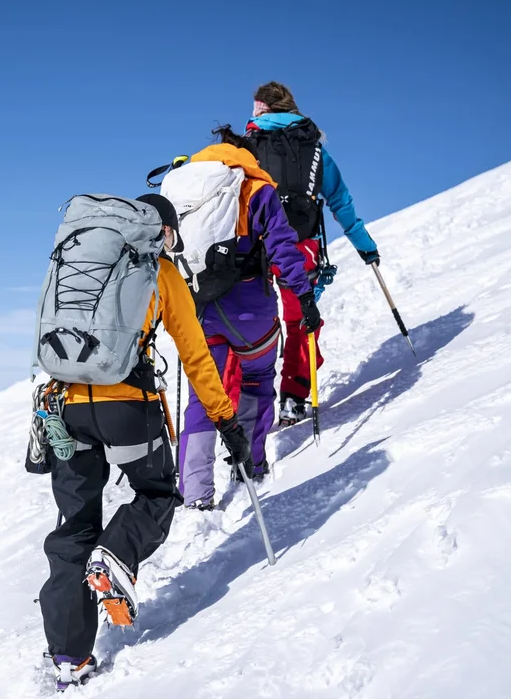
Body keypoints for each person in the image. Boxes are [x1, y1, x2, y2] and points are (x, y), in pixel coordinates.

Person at [40, 194, 253, 691]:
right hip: (127, 407)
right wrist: (228, 423)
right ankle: (115, 554)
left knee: (73, 527)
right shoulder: (161, 273)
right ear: (166, 232)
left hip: (64, 407)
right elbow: (196, 357)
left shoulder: (80, 260)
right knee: (156, 494)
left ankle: (70, 656)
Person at [175, 130, 322, 509]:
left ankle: (195, 493)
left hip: (200, 309)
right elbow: (282, 247)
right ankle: (251, 466)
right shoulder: (255, 186)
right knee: (256, 382)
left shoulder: (185, 186)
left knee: (203, 398)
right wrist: (304, 297)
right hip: (250, 309)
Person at [244, 81, 380, 426]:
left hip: (254, 247)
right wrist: (365, 246)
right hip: (301, 246)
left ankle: (245, 408)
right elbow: (341, 203)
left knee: (248, 323)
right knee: (301, 321)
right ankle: (293, 396)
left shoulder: (246, 148)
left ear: (260, 108)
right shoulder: (315, 149)